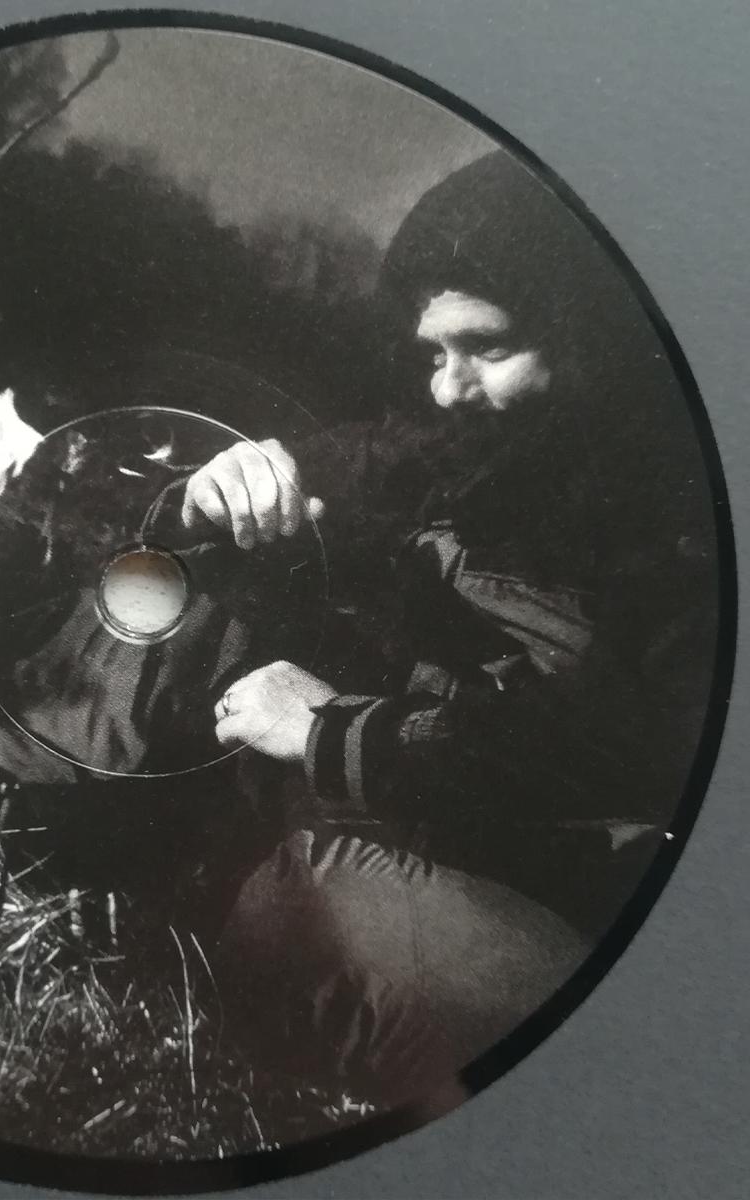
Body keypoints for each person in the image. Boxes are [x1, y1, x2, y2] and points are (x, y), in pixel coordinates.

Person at [181, 151, 719, 1107]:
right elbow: (285, 479)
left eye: (488, 347)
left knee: (308, 900)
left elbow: (630, 752)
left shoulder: (690, 524)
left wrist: (330, 730)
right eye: (435, 353)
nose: (446, 388)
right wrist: (208, 492)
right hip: (465, 865)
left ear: (594, 336)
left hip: (621, 938)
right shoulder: (441, 452)